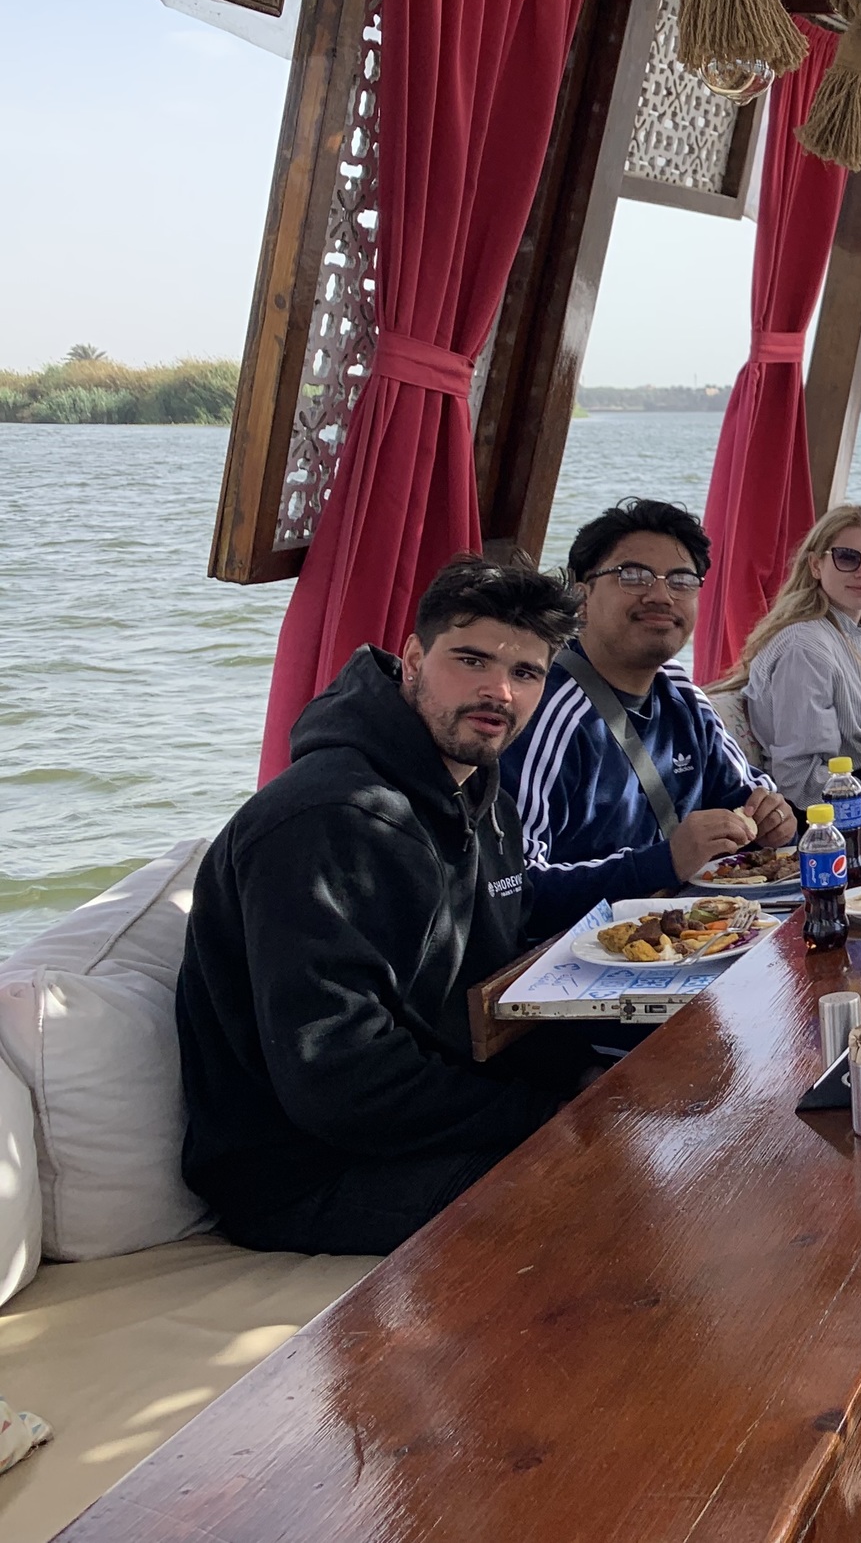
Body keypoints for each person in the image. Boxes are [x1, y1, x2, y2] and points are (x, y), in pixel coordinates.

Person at [177, 558, 597, 1255]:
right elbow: (341, 1081)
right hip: (305, 1173)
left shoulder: (485, 796)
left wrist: (588, 1074)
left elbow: (497, 986)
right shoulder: (327, 820)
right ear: (411, 659)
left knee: (674, 1142)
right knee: (616, 1203)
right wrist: (542, 1115)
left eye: (526, 672)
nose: (499, 689)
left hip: (429, 1118)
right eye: (471, 659)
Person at [502, 498, 794, 929]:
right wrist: (663, 862)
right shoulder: (545, 710)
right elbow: (515, 890)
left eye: (681, 580)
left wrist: (776, 819)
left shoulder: (681, 695)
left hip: (692, 939)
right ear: (581, 597)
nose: (660, 595)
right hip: (576, 964)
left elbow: (750, 800)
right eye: (632, 575)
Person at [729, 503, 861, 821]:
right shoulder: (805, 649)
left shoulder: (851, 636)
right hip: (820, 820)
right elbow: (799, 780)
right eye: (847, 558)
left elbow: (860, 752)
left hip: (853, 794)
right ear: (816, 565)